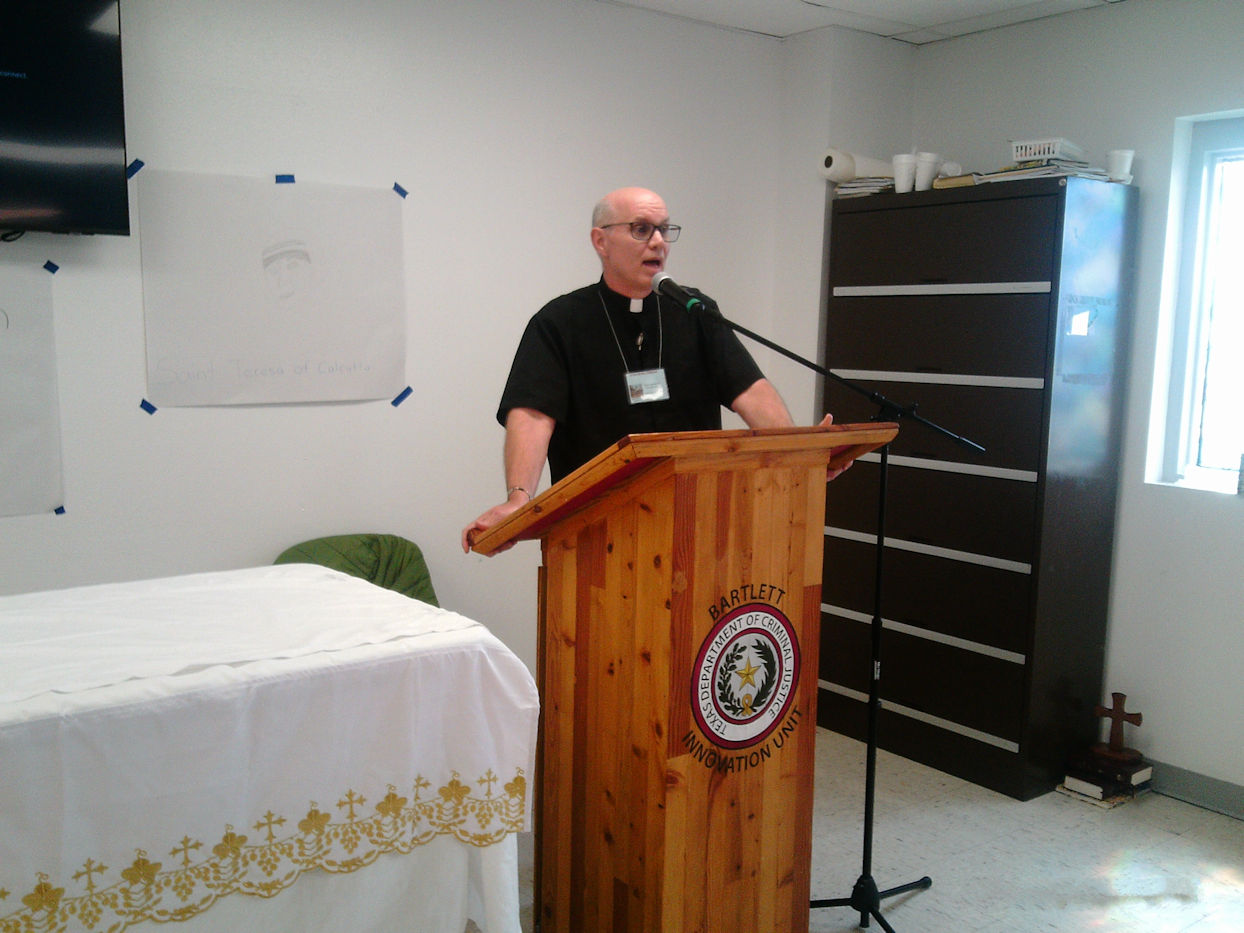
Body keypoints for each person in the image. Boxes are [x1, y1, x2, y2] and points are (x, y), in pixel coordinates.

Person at [461, 186, 836, 554]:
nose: (658, 241)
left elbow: (751, 391)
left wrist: (799, 455)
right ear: (601, 241)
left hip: (697, 523)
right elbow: (532, 414)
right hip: (595, 532)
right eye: (641, 229)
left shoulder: (695, 312)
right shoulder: (559, 322)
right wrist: (519, 498)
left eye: (664, 229)